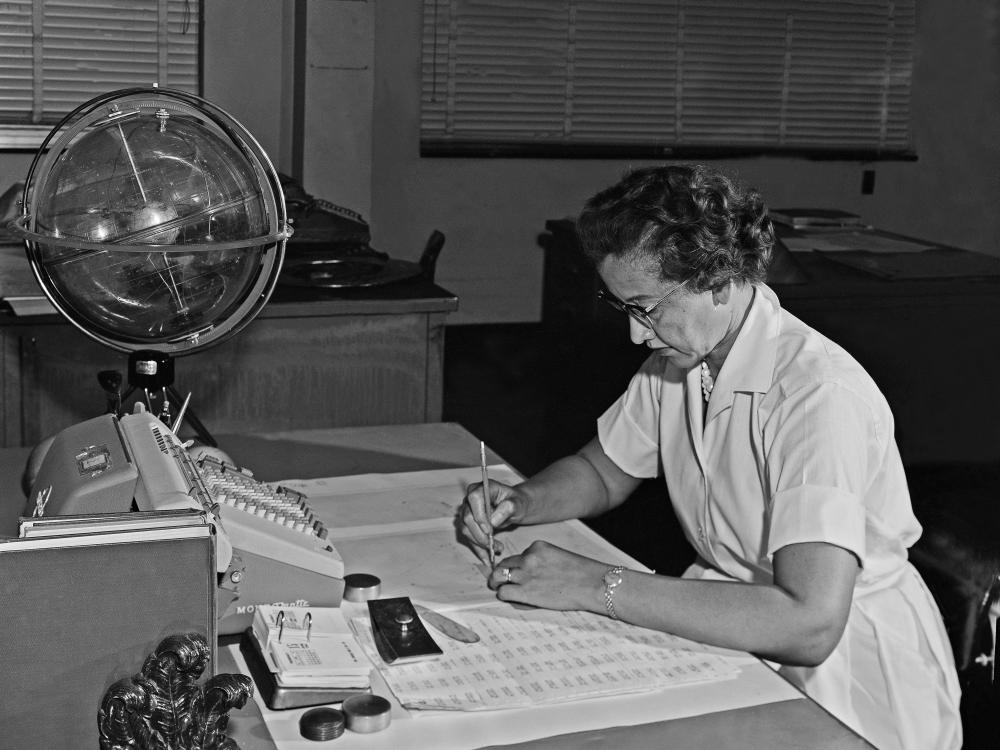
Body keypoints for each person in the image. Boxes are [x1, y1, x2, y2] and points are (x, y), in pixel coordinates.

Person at [461, 164, 962, 750]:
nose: (635, 334)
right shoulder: (679, 360)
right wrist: (523, 501)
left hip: (847, 680)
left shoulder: (816, 397)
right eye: (623, 306)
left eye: (645, 308)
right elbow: (603, 470)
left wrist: (597, 584)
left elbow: (810, 622)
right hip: (733, 621)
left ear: (719, 284)